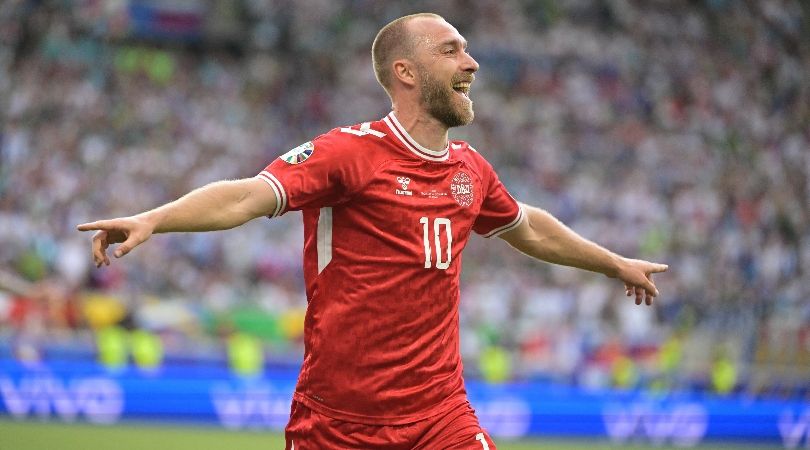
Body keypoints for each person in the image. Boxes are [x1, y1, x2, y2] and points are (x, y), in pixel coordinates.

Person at [78, 13, 668, 450]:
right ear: (406, 72)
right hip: (337, 423)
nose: (472, 63)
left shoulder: (471, 171)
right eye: (452, 50)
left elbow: (528, 228)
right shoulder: (348, 153)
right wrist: (154, 218)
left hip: (441, 414)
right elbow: (248, 195)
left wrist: (613, 262)